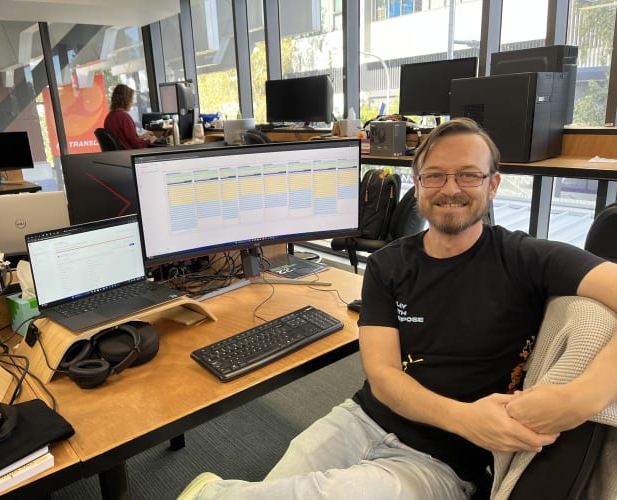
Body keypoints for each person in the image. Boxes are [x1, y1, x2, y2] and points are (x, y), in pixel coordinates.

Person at [178, 117, 617, 499]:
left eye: (468, 175)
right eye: (436, 176)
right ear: (417, 183)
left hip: (442, 462)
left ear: (493, 183)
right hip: (361, 420)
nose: (450, 189)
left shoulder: (527, 259)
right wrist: (468, 417)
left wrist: (583, 396)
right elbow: (384, 378)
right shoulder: (389, 265)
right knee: (289, 482)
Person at [104, 83, 156, 149]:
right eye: (131, 99)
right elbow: (136, 145)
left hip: (119, 155)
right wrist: (150, 140)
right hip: (129, 154)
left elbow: (122, 140)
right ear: (126, 100)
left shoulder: (109, 117)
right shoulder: (124, 117)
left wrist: (141, 137)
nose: (132, 103)